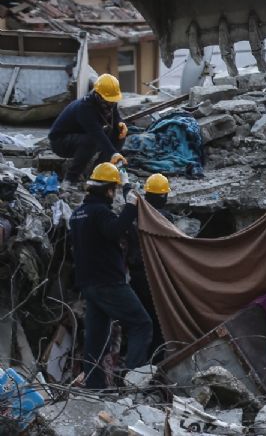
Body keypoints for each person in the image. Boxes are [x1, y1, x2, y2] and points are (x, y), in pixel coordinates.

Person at [69, 162, 148, 389]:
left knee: (96, 337)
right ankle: (133, 382)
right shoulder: (99, 212)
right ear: (109, 190)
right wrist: (131, 207)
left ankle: (94, 387)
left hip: (88, 284)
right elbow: (115, 230)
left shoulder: (77, 214)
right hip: (108, 282)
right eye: (114, 190)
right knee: (141, 324)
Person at [124, 173, 174, 362]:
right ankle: (155, 363)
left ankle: (137, 360)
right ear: (164, 196)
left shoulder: (135, 214)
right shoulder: (164, 217)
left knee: (139, 321)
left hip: (134, 276)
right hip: (155, 276)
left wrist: (126, 185)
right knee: (158, 320)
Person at [49, 74, 128, 187]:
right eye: (109, 100)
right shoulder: (85, 108)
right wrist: (114, 153)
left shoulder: (109, 102)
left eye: (113, 100)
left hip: (82, 135)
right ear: (98, 95)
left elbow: (115, 116)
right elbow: (97, 134)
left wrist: (121, 123)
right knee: (91, 141)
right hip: (60, 142)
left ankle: (98, 174)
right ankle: (70, 179)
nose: (111, 103)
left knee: (119, 133)